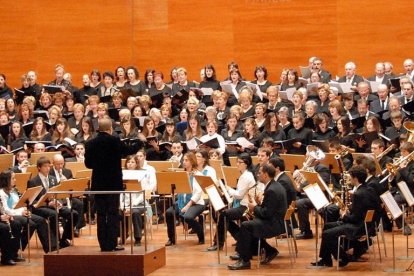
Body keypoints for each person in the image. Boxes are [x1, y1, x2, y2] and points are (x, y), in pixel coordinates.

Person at [85, 117, 139, 252]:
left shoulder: (90, 143)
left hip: (98, 184)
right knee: (113, 213)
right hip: (113, 184)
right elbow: (128, 151)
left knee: (101, 214)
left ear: (98, 128)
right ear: (110, 129)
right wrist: (140, 143)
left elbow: (88, 164)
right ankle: (112, 244)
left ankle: (103, 245)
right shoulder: (114, 140)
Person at [310, 165, 382, 267]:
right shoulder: (369, 189)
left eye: (350, 177)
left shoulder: (358, 194)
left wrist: (343, 215)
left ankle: (343, 257)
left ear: (355, 178)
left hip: (358, 227)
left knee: (327, 234)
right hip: (367, 225)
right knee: (327, 226)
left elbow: (354, 219)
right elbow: (363, 209)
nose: (349, 179)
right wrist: (350, 209)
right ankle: (325, 259)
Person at [228, 164, 287, 270]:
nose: (258, 175)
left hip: (273, 224)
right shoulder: (274, 185)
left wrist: (254, 207)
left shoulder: (272, 190)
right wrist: (259, 204)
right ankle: (269, 251)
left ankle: (245, 260)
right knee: (249, 225)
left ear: (265, 175)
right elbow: (268, 209)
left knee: (246, 226)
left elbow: (266, 214)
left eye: (260, 173)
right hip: (275, 221)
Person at [207, 153, 256, 251]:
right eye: (237, 162)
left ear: (246, 164)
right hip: (244, 205)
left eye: (239, 162)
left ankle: (219, 243)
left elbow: (239, 195)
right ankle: (239, 238)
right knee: (225, 216)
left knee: (224, 215)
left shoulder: (246, 176)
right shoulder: (245, 174)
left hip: (246, 208)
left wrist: (228, 189)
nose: (237, 164)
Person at [27, 157, 78, 249]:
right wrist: (47, 204)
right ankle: (56, 242)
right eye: (45, 166)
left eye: (49, 166)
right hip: (40, 207)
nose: (47, 168)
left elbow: (58, 194)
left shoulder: (53, 179)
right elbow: (31, 201)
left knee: (73, 214)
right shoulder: (33, 181)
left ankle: (64, 239)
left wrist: (58, 201)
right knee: (53, 214)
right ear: (39, 168)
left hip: (53, 205)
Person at [0, 169, 50, 254]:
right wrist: (21, 212)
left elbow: (20, 203)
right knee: (31, 225)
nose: (15, 180)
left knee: (41, 220)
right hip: (12, 215)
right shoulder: (1, 193)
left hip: (20, 213)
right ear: (6, 180)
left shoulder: (14, 190)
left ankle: (49, 248)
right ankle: (16, 248)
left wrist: (25, 210)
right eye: (13, 178)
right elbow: (6, 210)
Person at [165, 152, 205, 246]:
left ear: (192, 161)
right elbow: (179, 189)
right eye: (183, 160)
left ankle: (201, 235)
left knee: (188, 217)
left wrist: (187, 206)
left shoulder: (198, 174)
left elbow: (198, 193)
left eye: (186, 160)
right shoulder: (181, 174)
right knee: (169, 213)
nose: (184, 162)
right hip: (182, 202)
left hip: (197, 203)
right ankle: (171, 238)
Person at [49, 154, 85, 236]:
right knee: (64, 206)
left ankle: (76, 228)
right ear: (53, 163)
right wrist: (59, 183)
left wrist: (67, 182)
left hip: (67, 196)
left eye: (62, 163)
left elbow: (71, 187)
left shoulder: (67, 171)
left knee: (80, 204)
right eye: (58, 164)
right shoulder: (49, 172)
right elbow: (50, 187)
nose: (60, 166)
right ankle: (65, 228)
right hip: (56, 196)